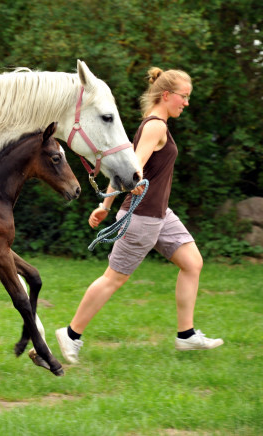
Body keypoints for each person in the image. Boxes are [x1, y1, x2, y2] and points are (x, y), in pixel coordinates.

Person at [55, 67, 223, 364]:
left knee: (192, 262)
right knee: (113, 279)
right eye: (183, 97)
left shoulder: (157, 125)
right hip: (142, 217)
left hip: (160, 213)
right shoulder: (156, 126)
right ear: (167, 95)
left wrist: (105, 205)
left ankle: (186, 335)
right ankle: (71, 334)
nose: (186, 102)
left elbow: (127, 163)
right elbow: (135, 168)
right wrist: (122, 194)